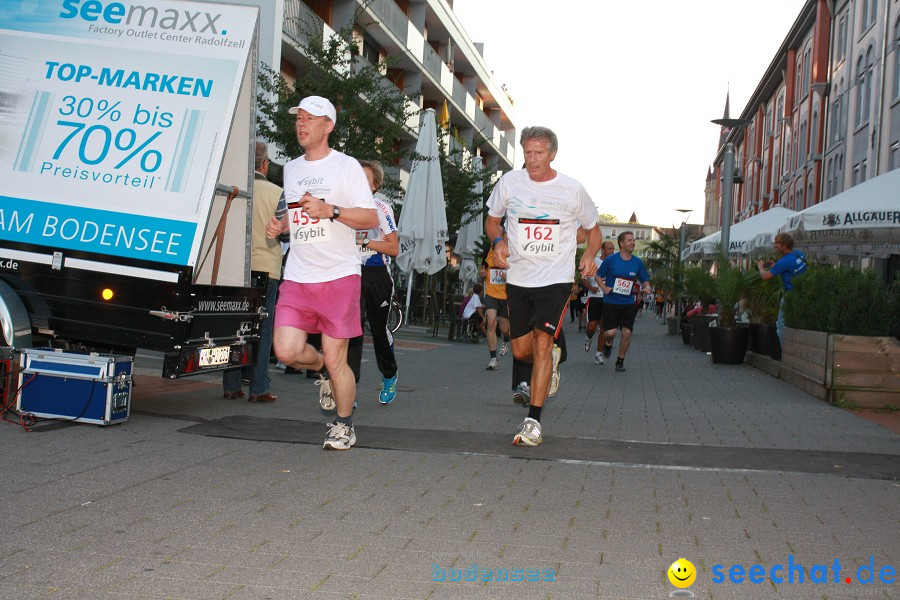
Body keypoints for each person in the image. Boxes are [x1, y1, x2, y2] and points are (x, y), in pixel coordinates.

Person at [266, 95, 378, 451]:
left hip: (338, 275)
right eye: (298, 117)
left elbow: (370, 218)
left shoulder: (347, 168)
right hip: (298, 275)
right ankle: (321, 373)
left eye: (310, 119)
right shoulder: (292, 168)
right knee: (285, 352)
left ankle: (343, 425)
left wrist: (331, 210)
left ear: (328, 126)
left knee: (337, 358)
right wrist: (281, 225)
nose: (301, 124)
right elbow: (298, 213)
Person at [485, 126, 601, 447]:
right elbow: (492, 219)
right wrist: (498, 241)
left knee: (540, 345)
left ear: (552, 154)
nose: (532, 159)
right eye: (527, 153)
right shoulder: (510, 183)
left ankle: (533, 421)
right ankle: (552, 358)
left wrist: (590, 255)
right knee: (521, 351)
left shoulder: (571, 190)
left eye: (538, 153)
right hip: (519, 277)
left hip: (556, 279)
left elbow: (594, 231)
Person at [222, 142, 283, 403]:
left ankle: (231, 385)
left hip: (235, 267)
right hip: (266, 267)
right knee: (263, 328)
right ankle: (258, 388)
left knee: (235, 326)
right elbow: (287, 229)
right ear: (265, 164)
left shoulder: (234, 190)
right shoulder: (277, 192)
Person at [346, 160, 400, 405]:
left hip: (378, 274)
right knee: (352, 330)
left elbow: (394, 248)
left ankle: (389, 374)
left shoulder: (382, 208)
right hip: (352, 272)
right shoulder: (345, 208)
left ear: (375, 185)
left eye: (365, 178)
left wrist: (366, 243)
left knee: (378, 331)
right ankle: (349, 389)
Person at [597, 231, 651, 372]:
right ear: (621, 243)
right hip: (610, 301)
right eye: (629, 240)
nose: (633, 242)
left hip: (627, 303)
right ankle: (608, 344)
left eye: (633, 240)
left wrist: (647, 287)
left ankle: (620, 361)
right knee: (610, 333)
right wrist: (604, 288)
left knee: (627, 332)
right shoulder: (610, 260)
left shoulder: (637, 263)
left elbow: (644, 279)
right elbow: (598, 276)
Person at [757, 232, 807, 342]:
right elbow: (791, 267)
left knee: (781, 328)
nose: (775, 246)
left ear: (784, 245)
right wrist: (776, 266)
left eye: (777, 244)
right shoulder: (799, 254)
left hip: (790, 296)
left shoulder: (783, 262)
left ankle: (785, 354)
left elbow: (765, 276)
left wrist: (760, 267)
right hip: (803, 294)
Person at [583, 240, 616, 364]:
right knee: (591, 326)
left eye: (613, 249)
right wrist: (591, 288)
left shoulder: (614, 263)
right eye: (609, 249)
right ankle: (589, 337)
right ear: (602, 250)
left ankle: (598, 354)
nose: (612, 251)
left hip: (608, 298)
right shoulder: (594, 262)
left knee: (604, 327)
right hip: (594, 297)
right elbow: (584, 279)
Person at [483, 229, 511, 370]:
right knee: (491, 322)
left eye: (501, 235)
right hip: (491, 294)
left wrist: (509, 277)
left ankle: (507, 338)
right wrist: (482, 273)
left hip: (506, 296)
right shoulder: (488, 253)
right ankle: (493, 358)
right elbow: (483, 270)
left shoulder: (511, 254)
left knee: (504, 328)